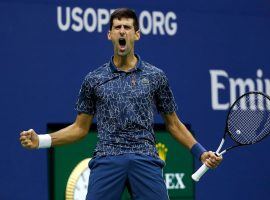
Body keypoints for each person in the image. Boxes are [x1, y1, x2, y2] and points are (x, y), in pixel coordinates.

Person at [20, 8, 222, 200]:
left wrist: (201, 152)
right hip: (107, 158)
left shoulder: (155, 76)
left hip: (145, 157)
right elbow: (79, 128)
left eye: (127, 27)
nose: (122, 31)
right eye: (117, 27)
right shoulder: (94, 79)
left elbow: (174, 124)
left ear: (137, 35)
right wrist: (41, 140)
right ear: (110, 35)